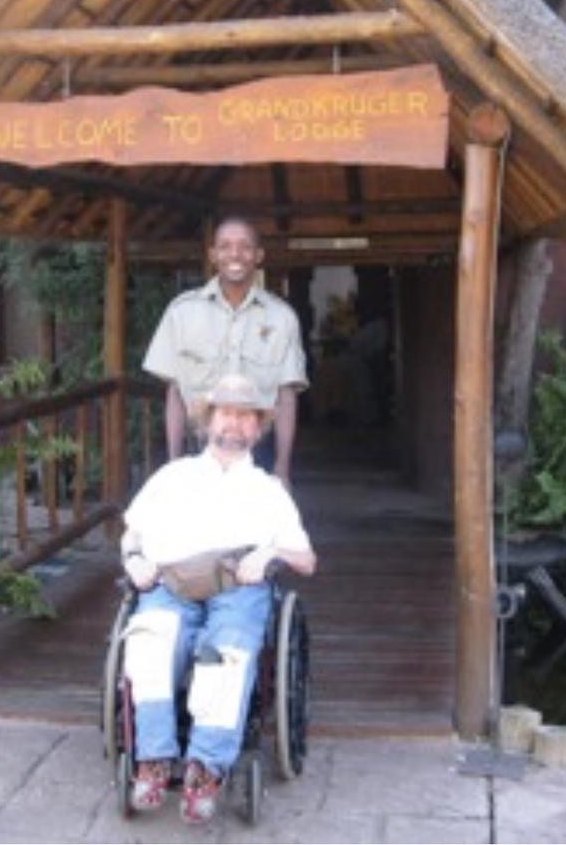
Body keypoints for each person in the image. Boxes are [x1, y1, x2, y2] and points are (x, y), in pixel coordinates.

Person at [119, 373, 316, 825]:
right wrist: (132, 557)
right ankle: (152, 760)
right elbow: (133, 532)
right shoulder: (173, 477)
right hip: (170, 587)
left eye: (246, 416)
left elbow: (306, 559)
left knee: (222, 655)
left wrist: (269, 551)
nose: (235, 424)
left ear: (258, 428)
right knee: (148, 643)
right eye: (226, 413)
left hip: (236, 593)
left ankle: (205, 768)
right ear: (207, 421)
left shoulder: (269, 490)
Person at [143, 216, 308, 488]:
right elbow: (174, 392)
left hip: (259, 452)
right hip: (198, 448)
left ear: (258, 255)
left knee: (256, 530)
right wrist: (174, 463)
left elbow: (286, 397)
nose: (235, 254)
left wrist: (282, 468)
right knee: (199, 530)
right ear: (213, 255)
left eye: (245, 246)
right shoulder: (181, 312)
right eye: (225, 246)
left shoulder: (282, 317)